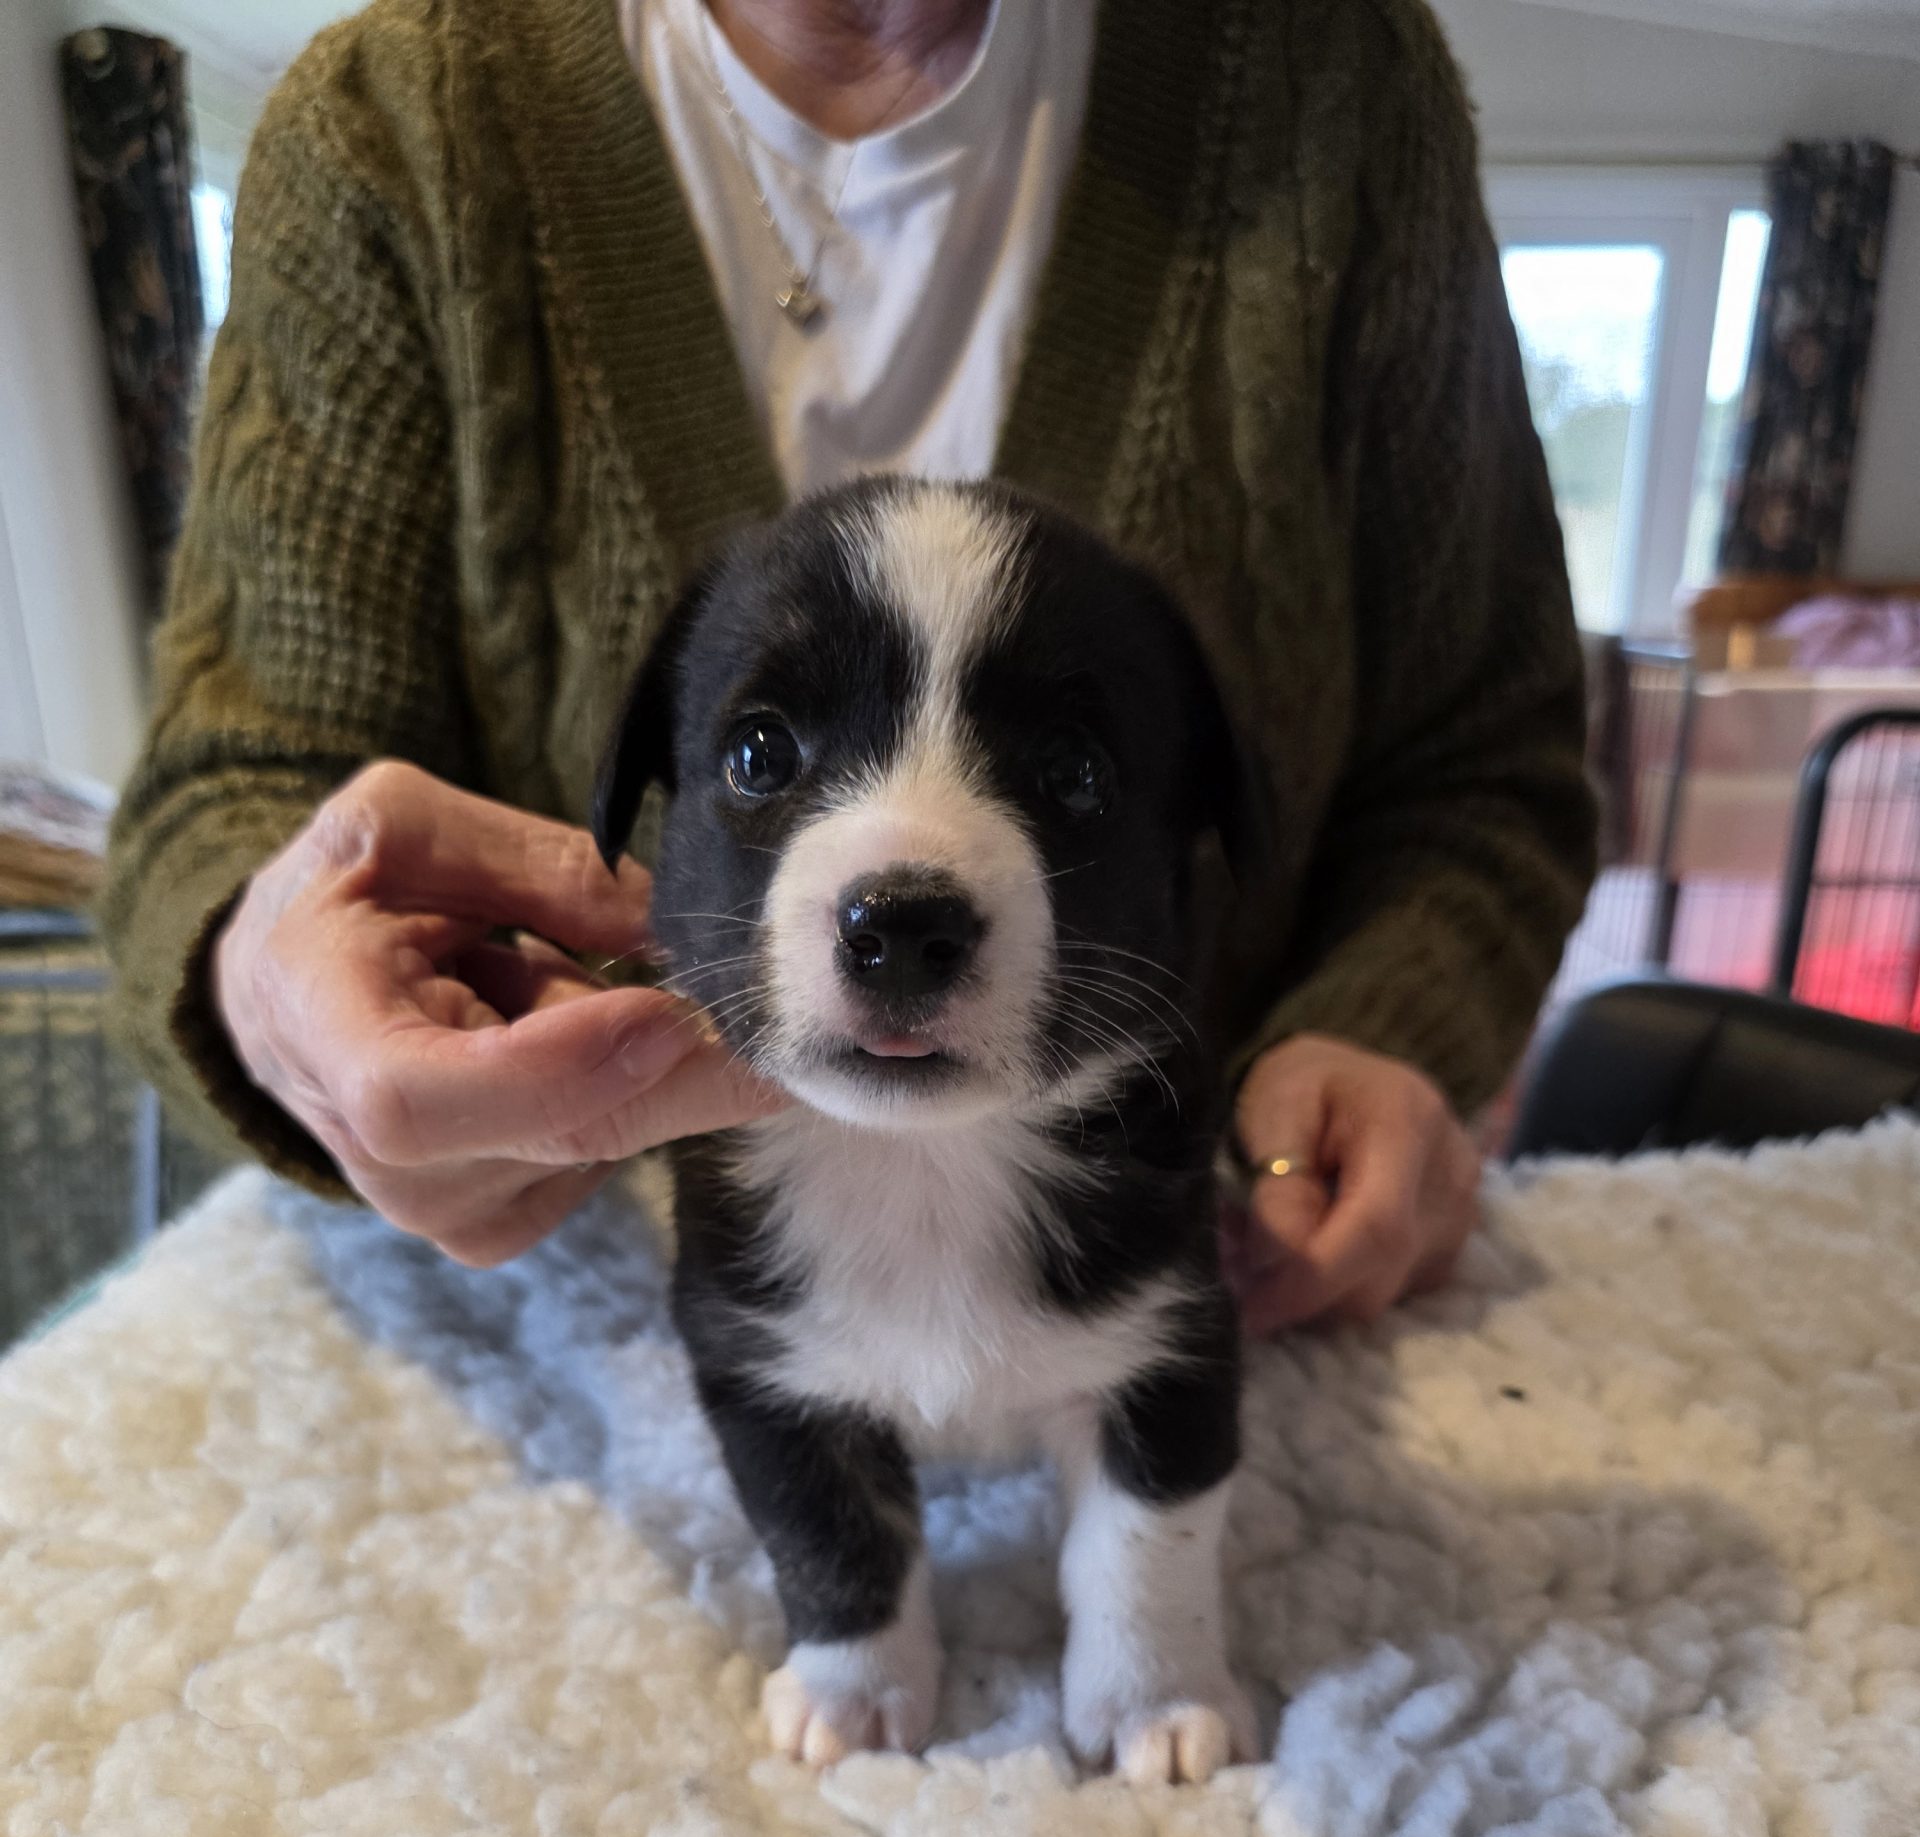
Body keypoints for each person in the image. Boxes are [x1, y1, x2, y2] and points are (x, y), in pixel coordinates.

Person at [103, 0, 1596, 1327]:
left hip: (1180, 1263)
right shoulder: (390, 131)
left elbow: (1483, 765)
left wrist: (1380, 1028)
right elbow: (242, 792)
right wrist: (276, 978)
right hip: (605, 1302)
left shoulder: (1333, 79)